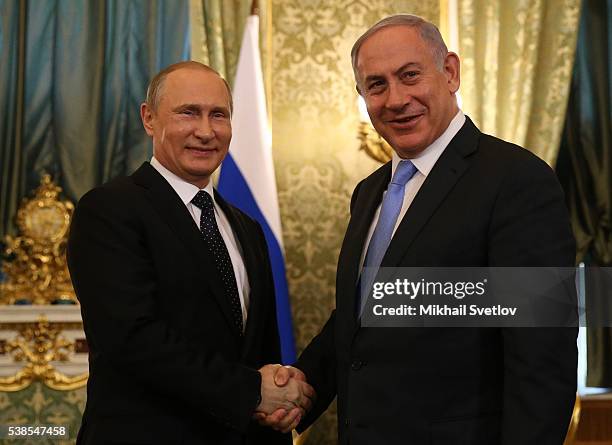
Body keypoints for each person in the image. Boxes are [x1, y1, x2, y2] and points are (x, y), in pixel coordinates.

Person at [259, 14, 578, 444]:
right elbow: (359, 320)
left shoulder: (517, 181)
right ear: (361, 97)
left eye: (410, 76)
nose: (395, 99)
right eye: (376, 85)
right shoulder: (370, 191)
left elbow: (543, 360)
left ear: (450, 72)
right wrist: (301, 390)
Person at [67, 61, 313, 445]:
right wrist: (252, 391)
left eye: (219, 115)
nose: (205, 131)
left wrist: (281, 404)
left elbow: (261, 351)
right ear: (149, 118)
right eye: (188, 113)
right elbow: (132, 340)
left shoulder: (247, 228)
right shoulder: (109, 210)